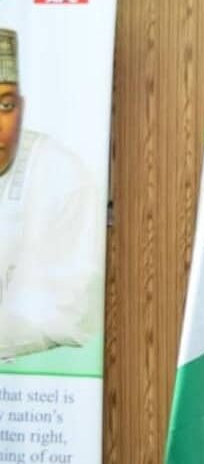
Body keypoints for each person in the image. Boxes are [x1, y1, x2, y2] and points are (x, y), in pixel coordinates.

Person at [0, 28, 103, 360]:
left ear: (21, 107)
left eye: (5, 105)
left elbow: (65, 314)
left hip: (37, 387)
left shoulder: (59, 173)